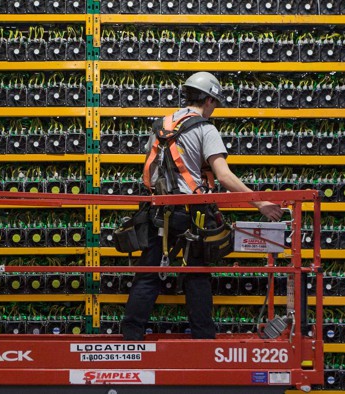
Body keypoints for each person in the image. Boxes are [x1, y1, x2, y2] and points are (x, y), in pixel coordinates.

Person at [121, 71, 284, 341]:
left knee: (148, 273)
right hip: (190, 215)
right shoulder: (205, 129)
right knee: (197, 276)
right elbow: (224, 175)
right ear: (208, 99)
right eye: (215, 102)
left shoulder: (162, 124)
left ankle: (131, 337)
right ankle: (204, 339)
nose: (214, 108)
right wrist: (261, 203)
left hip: (158, 212)